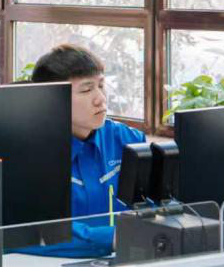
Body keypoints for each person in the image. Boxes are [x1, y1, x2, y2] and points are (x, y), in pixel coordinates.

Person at [31, 43, 145, 249]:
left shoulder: (128, 140)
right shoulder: (31, 153)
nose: (100, 99)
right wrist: (109, 238)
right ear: (51, 99)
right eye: (86, 90)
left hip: (128, 259)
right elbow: (31, 230)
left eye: (101, 85)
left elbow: (158, 206)